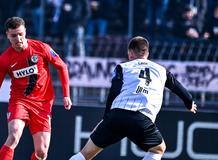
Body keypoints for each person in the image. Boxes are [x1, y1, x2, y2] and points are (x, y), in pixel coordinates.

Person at [69, 36, 197, 160]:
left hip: (117, 115)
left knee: (85, 154)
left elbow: (114, 92)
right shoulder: (162, 70)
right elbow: (178, 87)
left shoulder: (123, 67)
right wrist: (189, 102)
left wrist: (106, 118)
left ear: (130, 53)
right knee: (158, 149)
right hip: (141, 119)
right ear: (147, 52)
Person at [0, 17, 72, 160]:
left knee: (41, 152)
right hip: (20, 101)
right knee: (14, 134)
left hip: (43, 103)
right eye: (13, 35)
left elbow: (62, 67)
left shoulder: (41, 48)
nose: (18, 38)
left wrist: (66, 95)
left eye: (21, 34)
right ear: (7, 36)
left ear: (25, 32)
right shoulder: (4, 60)